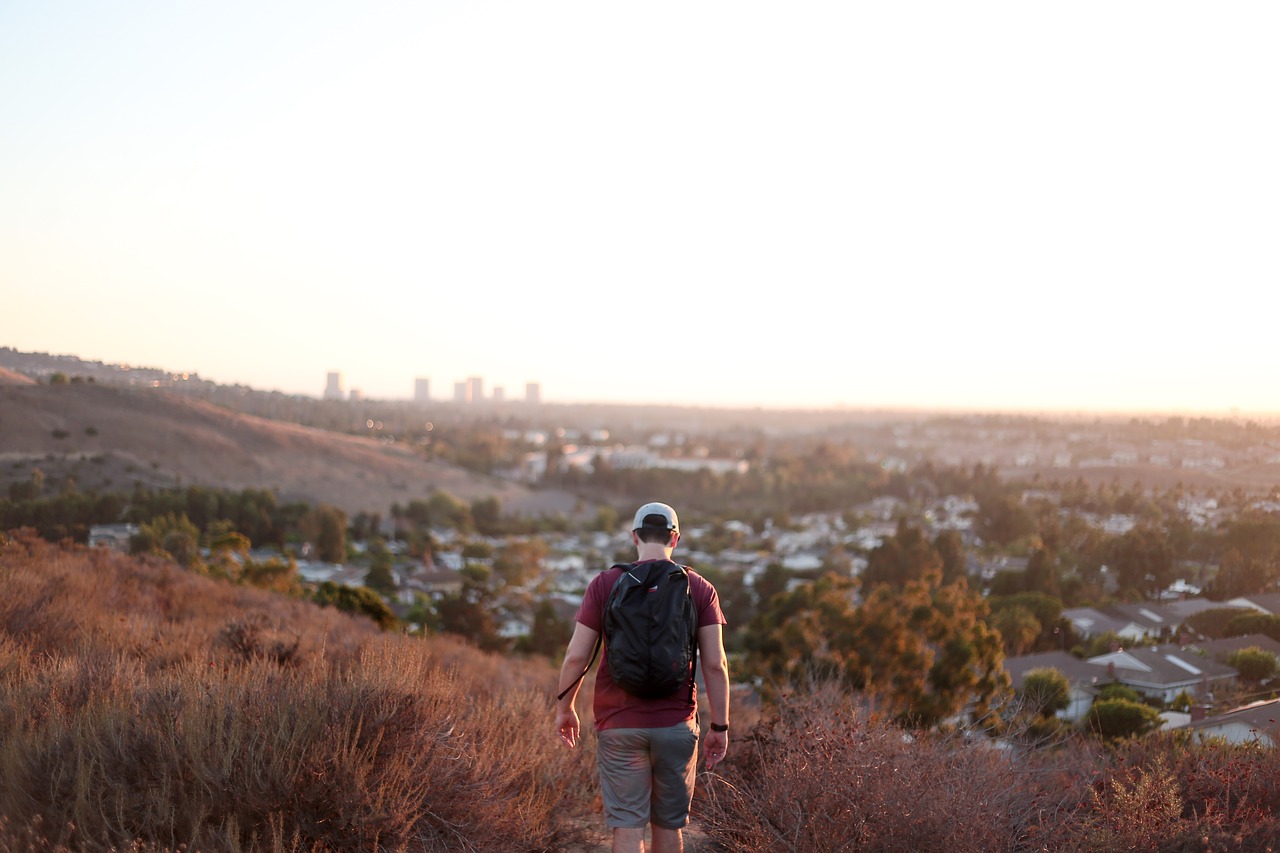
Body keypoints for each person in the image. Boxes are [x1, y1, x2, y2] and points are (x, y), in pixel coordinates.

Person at [555, 501, 730, 853]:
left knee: (627, 827)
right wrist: (720, 727)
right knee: (668, 826)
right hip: (676, 726)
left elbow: (576, 656)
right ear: (675, 539)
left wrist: (565, 708)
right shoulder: (699, 588)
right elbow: (715, 665)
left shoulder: (605, 583)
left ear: (634, 536)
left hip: (619, 726)